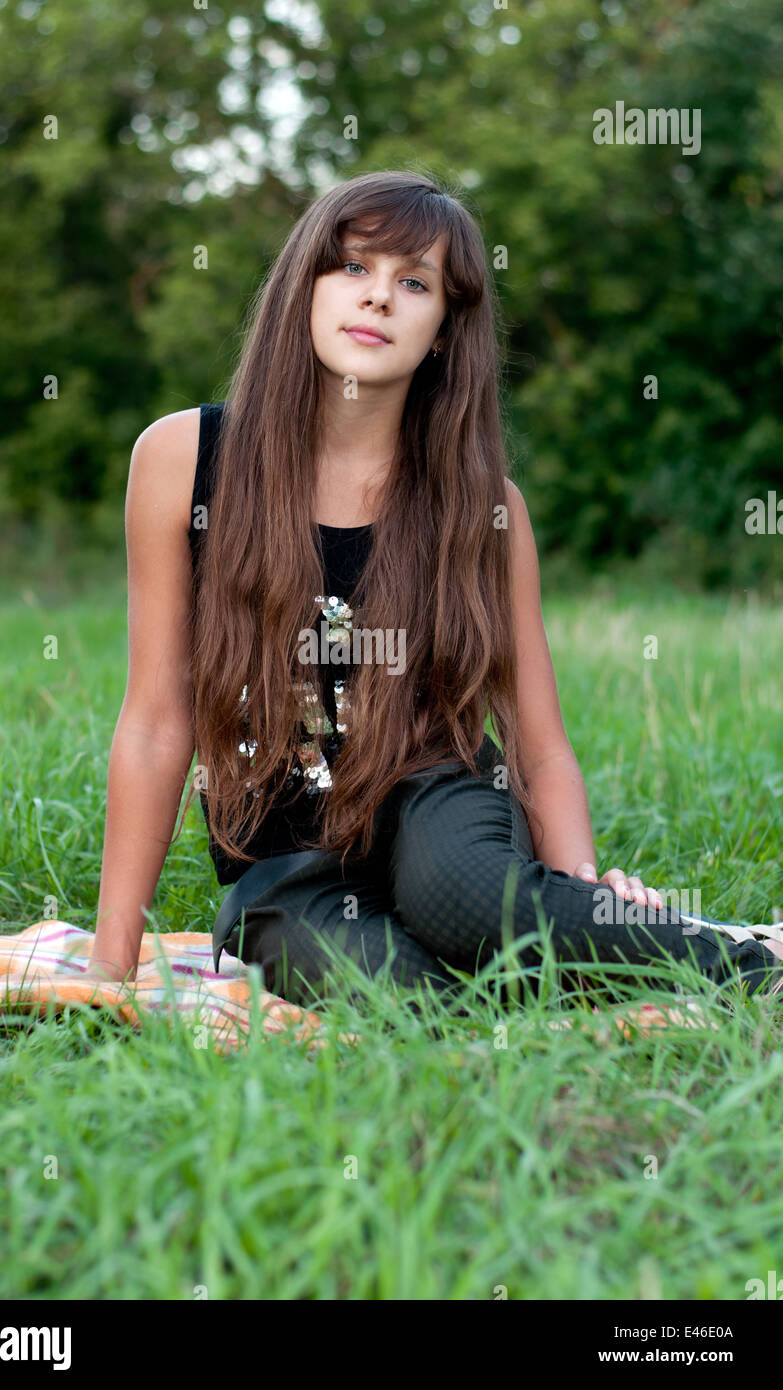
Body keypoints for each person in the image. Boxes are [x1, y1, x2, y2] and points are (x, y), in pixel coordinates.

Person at [85, 169, 783, 1014]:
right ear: (300, 287)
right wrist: (108, 967)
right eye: (351, 268)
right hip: (284, 871)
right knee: (405, 997)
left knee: (457, 895)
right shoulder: (183, 459)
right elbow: (157, 722)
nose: (377, 298)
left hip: (441, 809)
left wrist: (579, 894)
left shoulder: (481, 504)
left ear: (445, 329)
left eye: (412, 283)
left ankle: (750, 959)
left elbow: (538, 744)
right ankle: (557, 964)